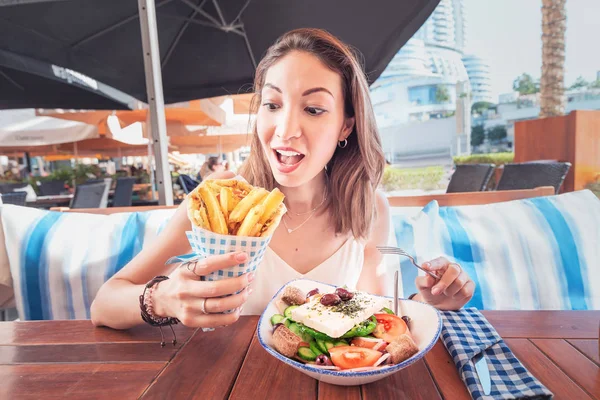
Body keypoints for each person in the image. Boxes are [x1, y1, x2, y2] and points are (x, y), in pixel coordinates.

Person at [91, 28, 474, 331]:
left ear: (346, 126)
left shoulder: (368, 208)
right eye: (272, 105)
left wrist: (430, 302)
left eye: (313, 108)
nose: (285, 129)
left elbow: (370, 317)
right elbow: (104, 304)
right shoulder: (217, 202)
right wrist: (163, 299)